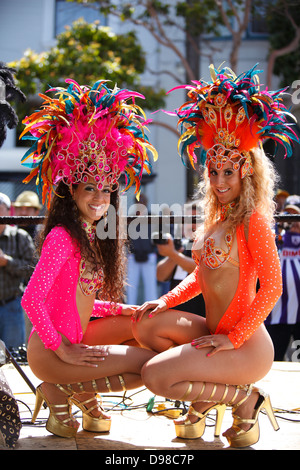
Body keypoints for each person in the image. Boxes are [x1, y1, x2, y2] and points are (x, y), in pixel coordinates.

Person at [132, 65, 298, 448]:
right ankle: (208, 396)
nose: (220, 181)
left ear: (247, 174)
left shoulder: (254, 220)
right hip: (214, 333)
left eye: (229, 172)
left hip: (246, 345)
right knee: (146, 326)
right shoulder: (217, 219)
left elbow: (272, 287)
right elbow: (201, 278)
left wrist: (235, 338)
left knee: (155, 377)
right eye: (214, 171)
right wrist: (166, 300)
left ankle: (247, 399)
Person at [20, 79, 157, 438]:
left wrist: (122, 310)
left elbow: (78, 298)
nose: (100, 197)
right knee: (152, 367)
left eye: (106, 187)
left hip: (76, 341)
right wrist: (61, 348)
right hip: (52, 351)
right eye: (90, 187)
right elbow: (32, 300)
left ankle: (74, 393)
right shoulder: (63, 236)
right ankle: (59, 389)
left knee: (146, 331)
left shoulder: (92, 235)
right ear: (72, 191)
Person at [265, 196, 300, 360]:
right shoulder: (275, 240)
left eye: (296, 217)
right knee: (273, 362)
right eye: (289, 217)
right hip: (277, 315)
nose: (293, 223)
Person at [156, 202, 205, 316]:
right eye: (186, 220)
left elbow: (200, 269)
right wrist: (173, 253)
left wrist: (173, 254)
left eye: (195, 220)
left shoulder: (210, 245)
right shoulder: (180, 244)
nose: (191, 225)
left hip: (201, 315)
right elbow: (160, 275)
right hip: (177, 313)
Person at [0, 192, 35, 351]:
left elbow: (33, 270)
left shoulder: (20, 237)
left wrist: (7, 262)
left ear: (8, 212)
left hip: (11, 304)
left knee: (14, 355)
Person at [126, 194, 158, 304]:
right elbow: (125, 238)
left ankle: (151, 310)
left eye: (143, 202)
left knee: (151, 286)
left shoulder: (152, 218)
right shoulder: (129, 218)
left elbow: (157, 236)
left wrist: (154, 251)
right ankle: (129, 310)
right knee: (131, 287)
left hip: (149, 255)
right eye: (138, 202)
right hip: (133, 256)